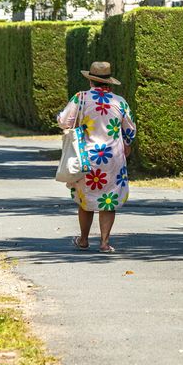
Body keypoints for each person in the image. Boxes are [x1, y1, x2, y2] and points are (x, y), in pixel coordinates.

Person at [56, 61, 136, 253]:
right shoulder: (119, 101)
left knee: (86, 199)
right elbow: (130, 131)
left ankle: (83, 240)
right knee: (108, 200)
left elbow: (63, 122)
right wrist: (125, 143)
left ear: (91, 80)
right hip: (112, 158)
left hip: (87, 156)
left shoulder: (80, 98)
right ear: (109, 82)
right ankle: (104, 243)